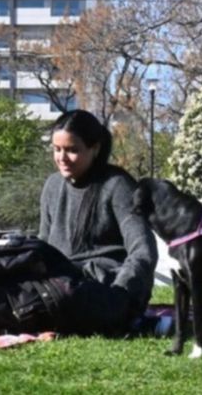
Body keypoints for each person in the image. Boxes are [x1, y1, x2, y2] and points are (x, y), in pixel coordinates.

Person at [37, 109, 157, 335]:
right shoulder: (52, 185)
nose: (62, 158)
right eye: (57, 149)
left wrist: (121, 295)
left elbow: (143, 251)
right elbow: (43, 245)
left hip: (102, 286)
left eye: (72, 150)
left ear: (95, 148)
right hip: (58, 284)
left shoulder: (118, 185)